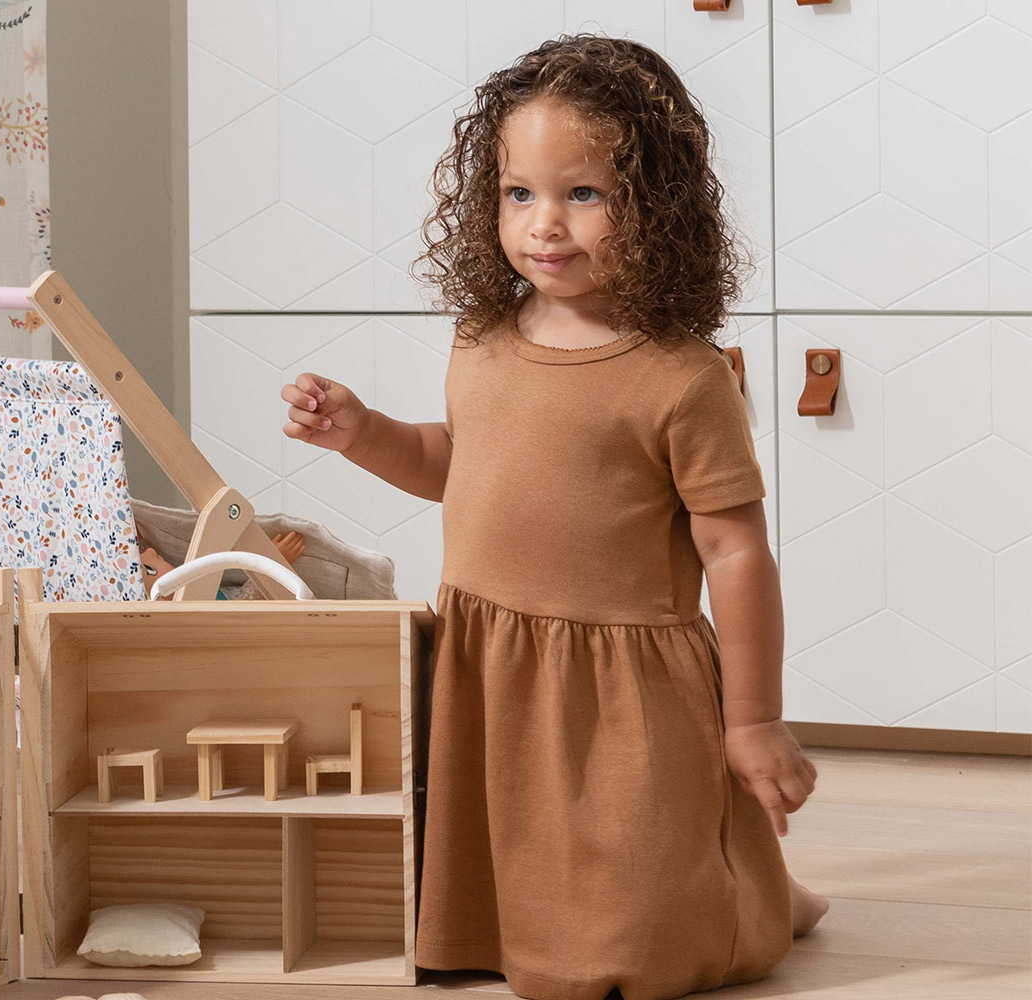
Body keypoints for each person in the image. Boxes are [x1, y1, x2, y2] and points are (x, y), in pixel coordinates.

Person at [280, 34, 828, 1000]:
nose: (544, 225)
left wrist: (756, 722)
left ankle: (756, 898)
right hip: (488, 654)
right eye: (516, 192)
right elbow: (457, 465)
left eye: (584, 194)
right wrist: (363, 432)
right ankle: (726, 892)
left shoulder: (679, 372)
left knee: (645, 922)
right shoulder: (483, 336)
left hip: (626, 680)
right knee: (518, 857)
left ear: (658, 204)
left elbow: (737, 552)